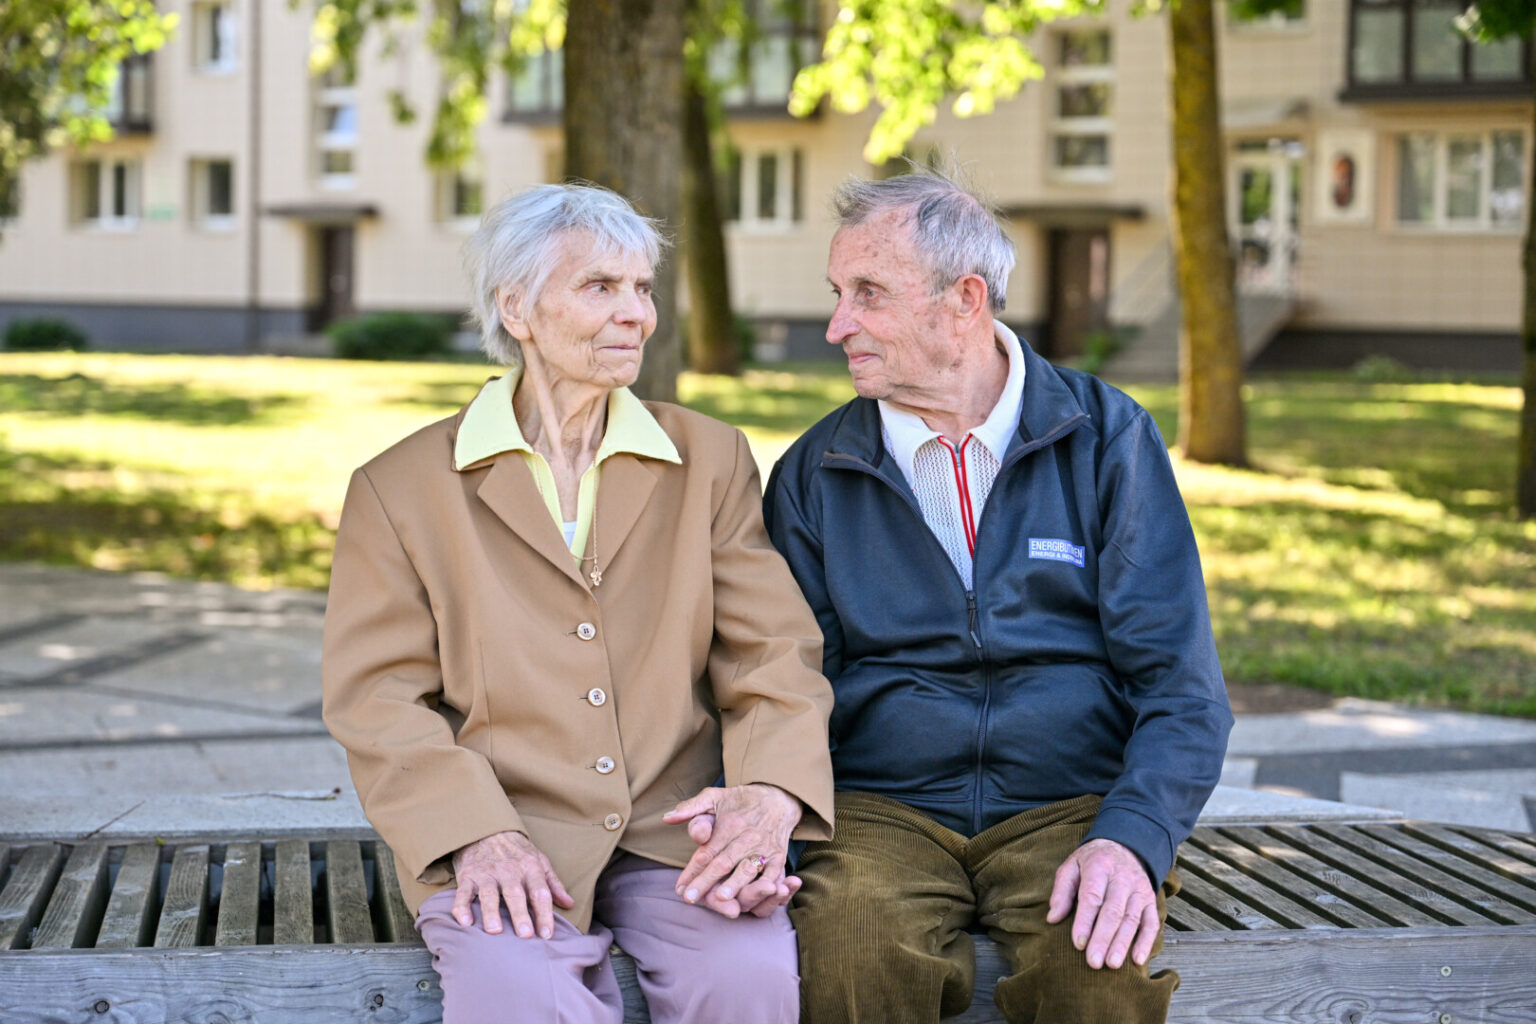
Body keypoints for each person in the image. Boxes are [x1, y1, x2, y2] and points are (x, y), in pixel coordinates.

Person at [322, 183, 835, 1024]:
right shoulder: (400, 488)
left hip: (678, 834)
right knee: (519, 1000)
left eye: (641, 288)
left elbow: (772, 654)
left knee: (749, 980)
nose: (635, 313)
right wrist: (472, 832)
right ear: (516, 307)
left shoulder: (708, 458)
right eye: (600, 287)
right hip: (498, 833)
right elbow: (377, 700)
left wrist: (769, 795)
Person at [762, 168, 1233, 1023]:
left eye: (868, 293)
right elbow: (783, 683)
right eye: (838, 293)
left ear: (964, 300)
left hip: (1071, 804)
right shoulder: (815, 472)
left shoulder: (1106, 439)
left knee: (1097, 974)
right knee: (848, 958)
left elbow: (1183, 686)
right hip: (880, 809)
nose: (837, 326)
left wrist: (1132, 838)